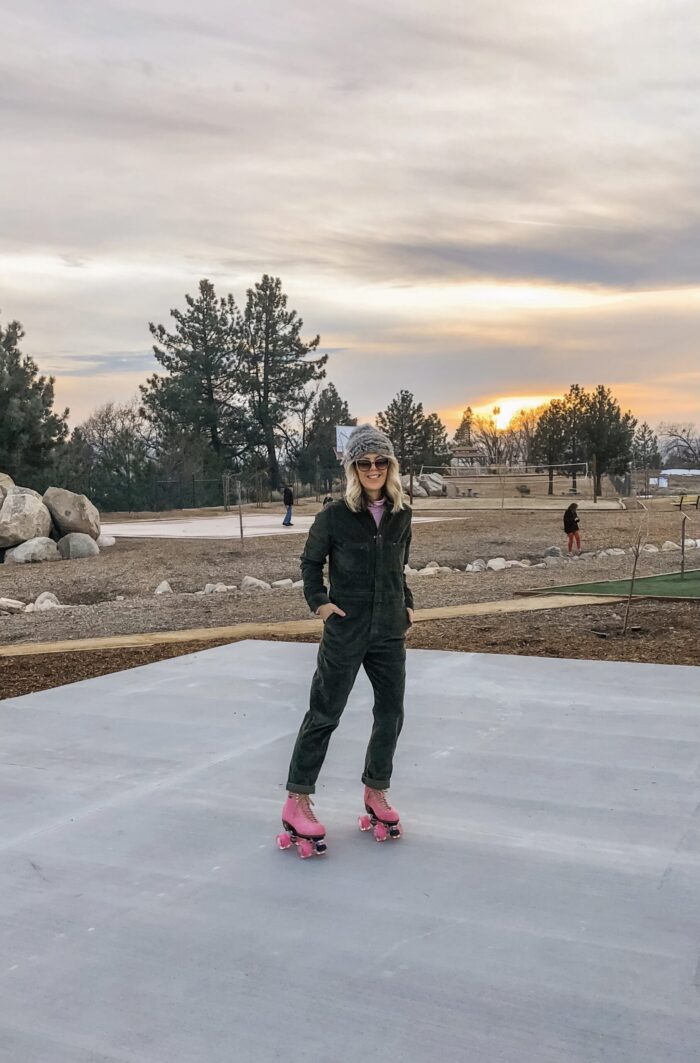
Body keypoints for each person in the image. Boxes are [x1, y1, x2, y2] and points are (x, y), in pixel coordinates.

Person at [277, 424, 414, 858]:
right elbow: (310, 563)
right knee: (325, 713)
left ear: (389, 466)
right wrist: (319, 604)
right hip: (347, 627)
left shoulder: (401, 513)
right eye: (364, 461)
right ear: (353, 468)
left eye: (380, 461)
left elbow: (400, 564)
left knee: (391, 712)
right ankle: (296, 800)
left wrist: (406, 602)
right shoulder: (333, 517)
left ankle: (376, 792)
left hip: (389, 630)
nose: (373, 468)